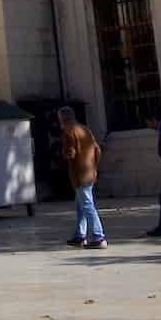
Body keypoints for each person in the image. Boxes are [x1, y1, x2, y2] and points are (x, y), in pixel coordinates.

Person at [58, 106, 107, 248]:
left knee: (87, 205)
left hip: (79, 175)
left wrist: (63, 154)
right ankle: (80, 235)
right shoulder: (85, 129)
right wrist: (93, 165)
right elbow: (97, 149)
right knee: (81, 206)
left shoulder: (68, 131)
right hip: (90, 173)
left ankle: (99, 236)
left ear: (62, 119)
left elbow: (70, 153)